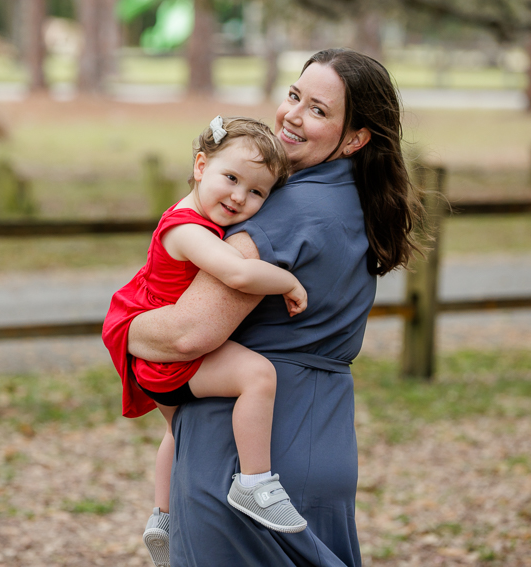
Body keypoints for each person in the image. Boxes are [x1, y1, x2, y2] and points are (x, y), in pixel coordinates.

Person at [126, 48, 424, 566]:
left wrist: (120, 327)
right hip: (323, 438)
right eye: (294, 96)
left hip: (242, 460)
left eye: (318, 110)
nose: (291, 115)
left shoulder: (286, 210)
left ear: (355, 139)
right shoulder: (353, 203)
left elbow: (186, 336)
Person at [102, 116, 312, 567]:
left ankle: (163, 516)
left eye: (257, 192)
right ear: (201, 166)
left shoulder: (194, 213)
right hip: (168, 361)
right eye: (231, 178)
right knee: (257, 375)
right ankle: (254, 483)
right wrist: (288, 281)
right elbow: (237, 272)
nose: (239, 197)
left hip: (155, 362)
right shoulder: (187, 229)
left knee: (179, 433)